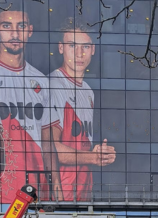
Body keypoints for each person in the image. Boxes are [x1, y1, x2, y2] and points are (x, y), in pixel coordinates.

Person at [0, 2, 62, 203]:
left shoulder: (41, 81)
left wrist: (55, 182)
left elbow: (48, 141)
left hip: (35, 193)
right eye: (7, 26)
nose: (14, 33)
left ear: (30, 31)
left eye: (21, 26)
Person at [49, 18, 116, 201]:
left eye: (85, 47)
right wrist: (93, 158)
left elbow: (80, 142)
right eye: (72, 46)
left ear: (93, 49)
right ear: (61, 48)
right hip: (60, 194)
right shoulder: (53, 86)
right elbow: (51, 147)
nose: (79, 54)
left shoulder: (88, 91)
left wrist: (100, 153)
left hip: (83, 191)